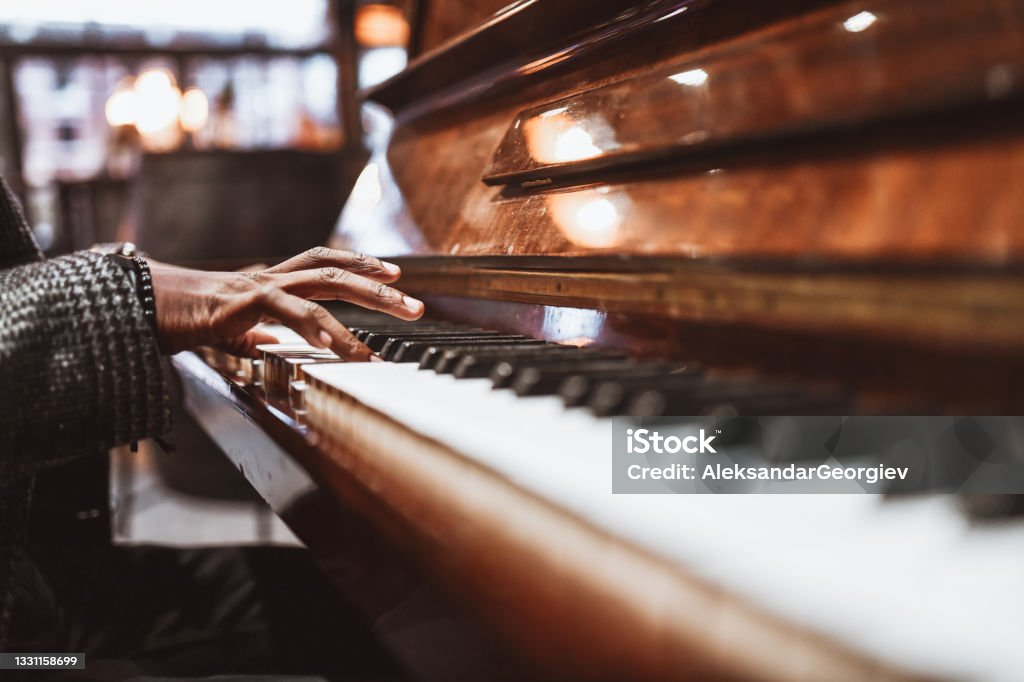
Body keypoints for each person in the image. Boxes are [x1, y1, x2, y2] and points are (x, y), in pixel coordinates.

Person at [0, 176, 423, 679]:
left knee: (390, 605)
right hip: (19, 652)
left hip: (39, 570)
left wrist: (160, 280)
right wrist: (131, 294)